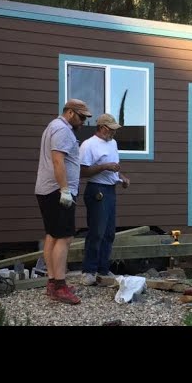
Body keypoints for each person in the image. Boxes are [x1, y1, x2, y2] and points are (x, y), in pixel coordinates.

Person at [35, 98, 92, 304]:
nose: (84, 121)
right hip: (57, 191)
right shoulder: (62, 130)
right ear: (70, 113)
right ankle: (59, 286)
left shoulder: (53, 126)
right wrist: (65, 190)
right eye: (82, 117)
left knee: (52, 235)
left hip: (48, 190)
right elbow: (58, 160)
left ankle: (52, 283)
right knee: (65, 237)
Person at [79, 113, 130, 286]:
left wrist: (121, 177)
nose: (114, 133)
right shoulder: (88, 145)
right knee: (96, 232)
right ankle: (88, 271)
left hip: (110, 190)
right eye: (111, 130)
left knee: (109, 233)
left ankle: (103, 269)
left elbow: (113, 167)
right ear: (102, 128)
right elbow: (83, 172)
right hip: (96, 190)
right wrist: (105, 167)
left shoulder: (113, 143)